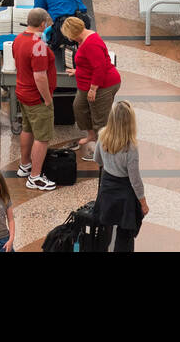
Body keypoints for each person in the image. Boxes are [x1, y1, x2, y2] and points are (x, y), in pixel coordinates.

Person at [59, 16, 121, 163]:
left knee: (100, 118)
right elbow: (87, 62)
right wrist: (78, 71)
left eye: (68, 35)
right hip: (87, 83)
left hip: (103, 85)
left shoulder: (91, 43)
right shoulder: (83, 39)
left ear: (74, 33)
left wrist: (93, 89)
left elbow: (100, 68)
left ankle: (104, 151)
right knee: (79, 108)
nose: (68, 38)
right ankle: (91, 135)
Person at [92, 101, 147, 252]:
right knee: (125, 234)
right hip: (125, 194)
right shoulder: (131, 147)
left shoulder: (103, 135)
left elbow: (97, 159)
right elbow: (135, 179)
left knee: (103, 230)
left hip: (107, 187)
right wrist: (143, 202)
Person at [12, 8, 57, 191]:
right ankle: (35, 177)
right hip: (36, 97)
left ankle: (25, 165)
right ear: (43, 24)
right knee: (43, 137)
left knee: (27, 128)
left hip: (22, 91)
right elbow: (40, 76)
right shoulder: (38, 46)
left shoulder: (18, 39)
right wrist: (47, 99)